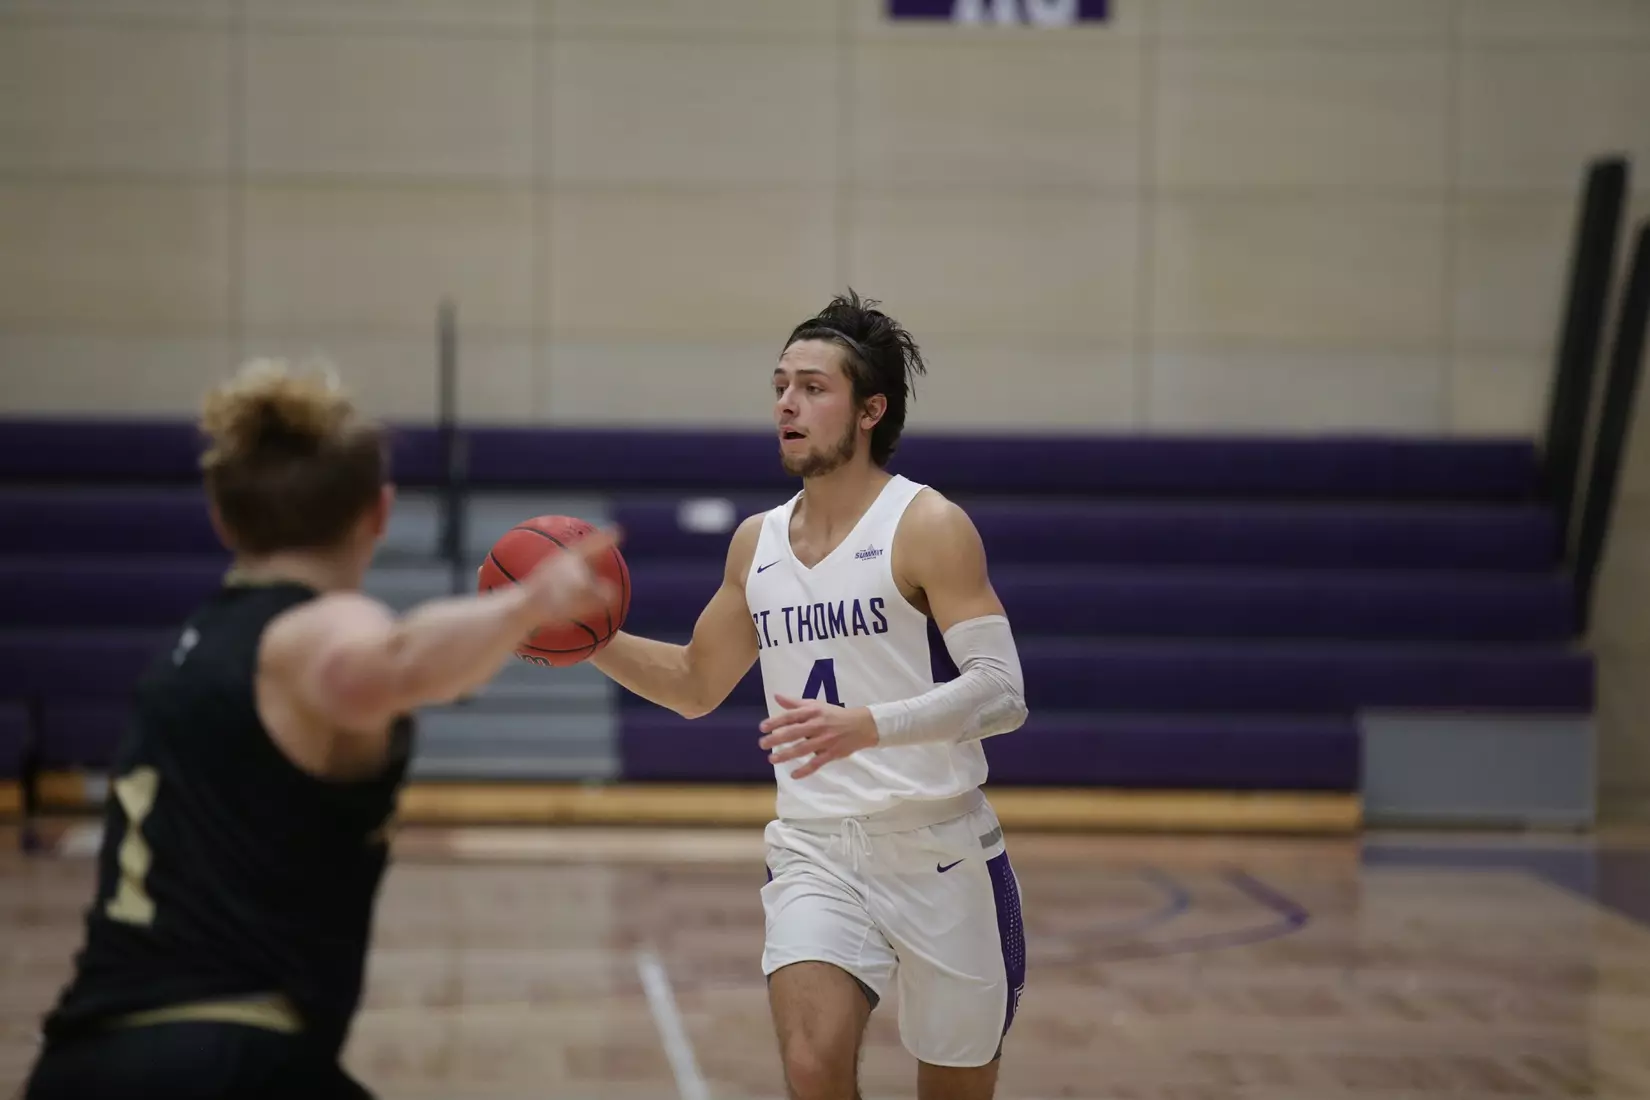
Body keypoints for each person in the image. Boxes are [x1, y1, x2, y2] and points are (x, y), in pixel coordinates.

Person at [22, 360, 618, 1100]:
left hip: (79, 1065)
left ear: (221, 517)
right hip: (218, 1056)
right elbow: (387, 663)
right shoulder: (310, 633)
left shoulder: (196, 646)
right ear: (379, 512)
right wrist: (524, 607)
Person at [589, 291, 1029, 1100]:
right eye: (780, 385)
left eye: (813, 387)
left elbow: (1002, 693)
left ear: (870, 410)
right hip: (818, 849)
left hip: (937, 848)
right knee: (809, 1066)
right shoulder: (756, 542)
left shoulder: (927, 524)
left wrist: (869, 726)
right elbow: (694, 684)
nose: (788, 403)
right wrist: (592, 642)